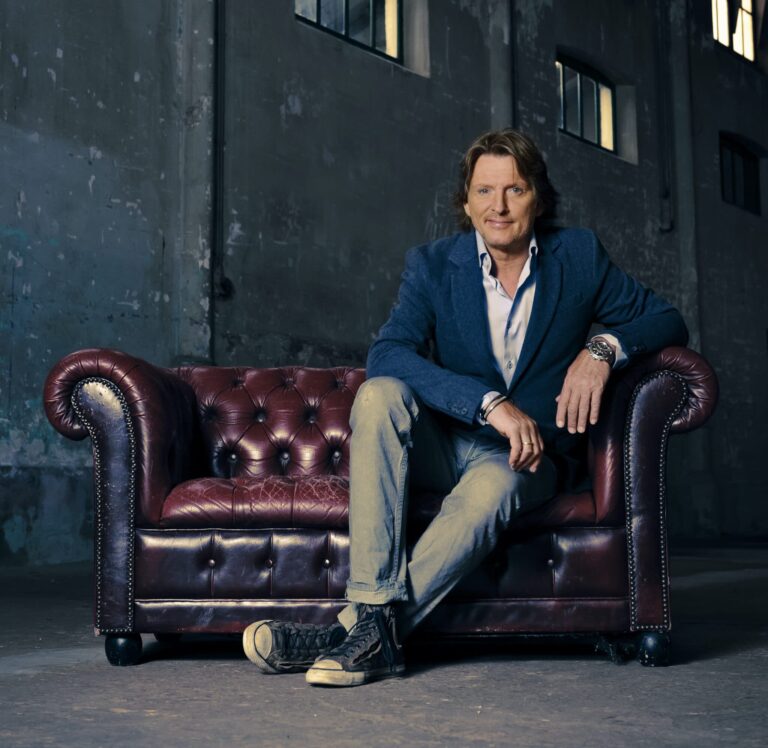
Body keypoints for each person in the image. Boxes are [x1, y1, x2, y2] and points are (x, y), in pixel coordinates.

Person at [241, 128, 688, 687]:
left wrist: (602, 349)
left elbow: (667, 320)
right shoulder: (433, 265)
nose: (499, 206)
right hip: (446, 439)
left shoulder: (578, 256)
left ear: (538, 198)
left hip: (522, 458)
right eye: (484, 191)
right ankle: (371, 619)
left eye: (514, 189)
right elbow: (388, 353)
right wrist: (486, 402)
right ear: (467, 202)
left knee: (493, 492)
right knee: (379, 393)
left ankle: (350, 634)